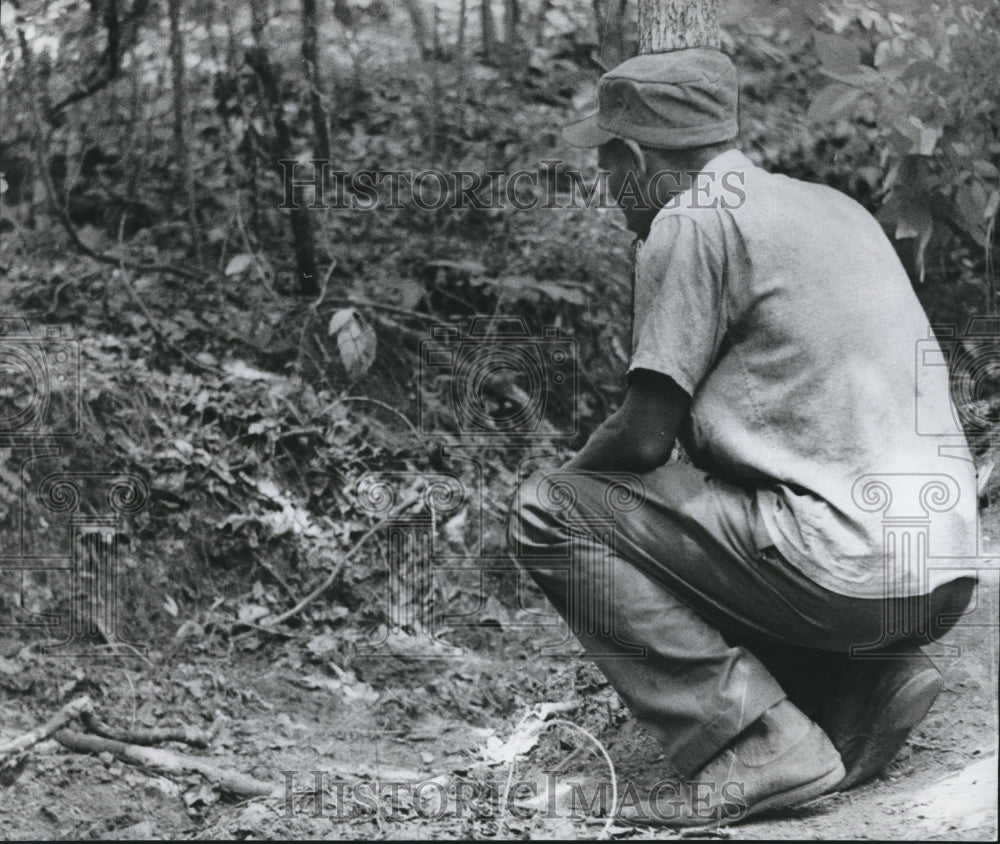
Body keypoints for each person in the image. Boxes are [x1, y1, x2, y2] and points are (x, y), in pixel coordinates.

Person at [506, 47, 979, 826]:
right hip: (943, 570)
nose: (602, 186)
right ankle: (865, 682)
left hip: (845, 572)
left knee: (549, 510)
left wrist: (569, 480)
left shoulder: (690, 220)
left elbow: (644, 440)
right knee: (720, 507)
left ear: (635, 156)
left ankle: (758, 740)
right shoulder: (831, 206)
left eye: (605, 165)